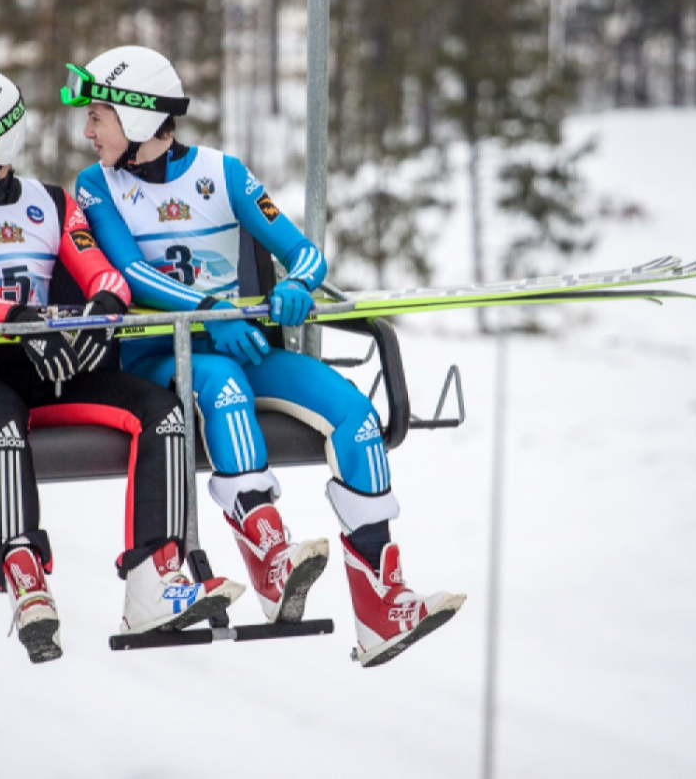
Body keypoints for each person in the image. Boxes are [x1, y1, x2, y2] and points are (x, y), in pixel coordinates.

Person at [65, 46, 465, 667]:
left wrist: (295, 286)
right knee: (222, 384)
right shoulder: (97, 186)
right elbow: (133, 273)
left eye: (99, 116)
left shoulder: (223, 173)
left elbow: (305, 252)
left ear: (139, 118)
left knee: (356, 417)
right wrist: (210, 312)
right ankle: (270, 559)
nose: (88, 130)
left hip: (243, 345)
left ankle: (383, 607)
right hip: (158, 359)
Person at [0, 67, 243, 664]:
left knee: (162, 414)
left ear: (2, 139)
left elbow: (100, 271)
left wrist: (103, 307)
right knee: (2, 426)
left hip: (50, 364)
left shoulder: (52, 204)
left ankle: (154, 583)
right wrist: (17, 321)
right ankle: (24, 573)